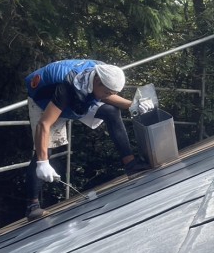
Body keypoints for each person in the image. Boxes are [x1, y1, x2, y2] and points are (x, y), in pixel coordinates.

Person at [24, 59, 153, 221]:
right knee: (44, 151)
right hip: (45, 101)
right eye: (107, 91)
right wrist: (43, 164)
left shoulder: (100, 74)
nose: (108, 95)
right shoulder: (67, 87)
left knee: (111, 112)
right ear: (97, 82)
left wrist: (134, 104)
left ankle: (131, 165)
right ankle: (32, 206)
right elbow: (44, 124)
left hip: (78, 98)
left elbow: (107, 97)